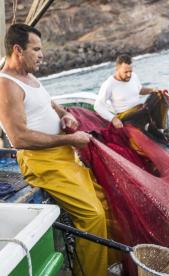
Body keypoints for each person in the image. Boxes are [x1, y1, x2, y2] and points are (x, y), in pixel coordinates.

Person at [0, 24, 108, 276]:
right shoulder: (6, 86)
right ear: (18, 49)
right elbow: (19, 138)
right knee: (93, 215)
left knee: (103, 200)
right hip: (43, 163)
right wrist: (69, 141)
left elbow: (46, 102)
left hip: (64, 157)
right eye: (36, 49)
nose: (41, 55)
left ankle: (104, 263)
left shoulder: (28, 76)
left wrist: (64, 114)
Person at [94, 54, 169, 146]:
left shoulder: (134, 76)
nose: (129, 75)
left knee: (160, 96)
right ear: (117, 69)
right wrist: (113, 119)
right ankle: (153, 130)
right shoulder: (109, 84)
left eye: (130, 71)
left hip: (140, 111)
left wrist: (152, 90)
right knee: (145, 113)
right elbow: (98, 106)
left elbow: (139, 90)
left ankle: (163, 131)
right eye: (126, 72)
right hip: (126, 116)